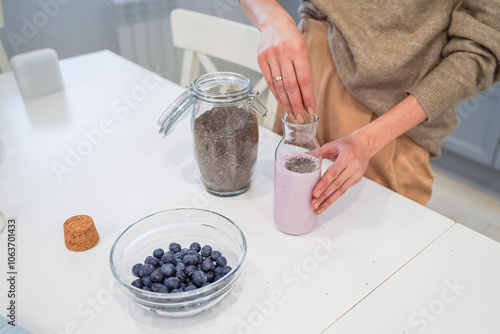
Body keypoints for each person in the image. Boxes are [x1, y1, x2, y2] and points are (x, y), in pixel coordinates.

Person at [240, 0, 500, 215]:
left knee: (373, 257)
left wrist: (368, 141)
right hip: (309, 68)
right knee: (286, 226)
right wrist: (270, 16)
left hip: (394, 115)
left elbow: (479, 51)